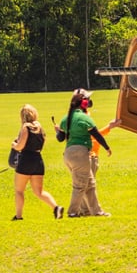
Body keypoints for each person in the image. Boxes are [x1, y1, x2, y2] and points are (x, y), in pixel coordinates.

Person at [57, 89, 111, 217]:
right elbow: (96, 135)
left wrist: (58, 131)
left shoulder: (66, 118)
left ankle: (96, 212)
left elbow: (60, 138)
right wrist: (107, 148)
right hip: (80, 154)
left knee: (90, 184)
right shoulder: (84, 118)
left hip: (68, 154)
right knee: (80, 186)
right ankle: (72, 212)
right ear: (84, 104)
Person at [10, 104, 62, 220]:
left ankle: (18, 216)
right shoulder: (40, 127)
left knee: (19, 190)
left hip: (26, 159)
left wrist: (14, 145)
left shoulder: (26, 127)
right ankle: (56, 207)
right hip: (38, 160)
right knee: (39, 192)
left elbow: (20, 146)